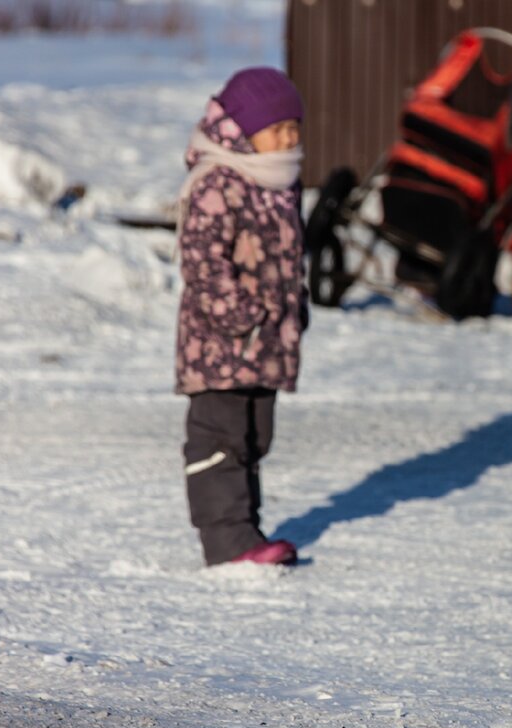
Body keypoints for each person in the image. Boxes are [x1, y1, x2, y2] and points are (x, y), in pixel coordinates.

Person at [174, 67, 308, 567]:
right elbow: (203, 263)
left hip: (266, 342)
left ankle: (246, 528)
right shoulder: (216, 183)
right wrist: (241, 317)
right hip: (222, 344)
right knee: (219, 439)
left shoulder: (279, 185)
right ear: (241, 132)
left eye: (295, 128)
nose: (288, 139)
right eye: (277, 129)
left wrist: (296, 312)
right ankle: (227, 540)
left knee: (254, 438)